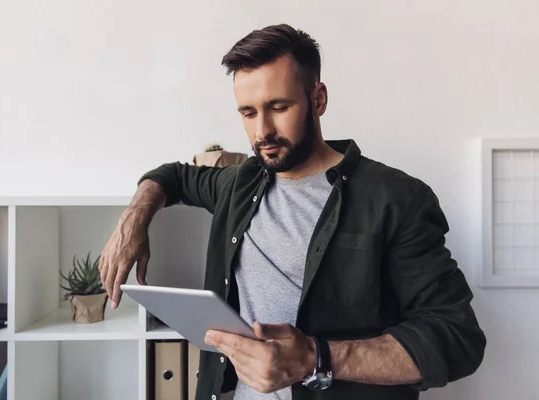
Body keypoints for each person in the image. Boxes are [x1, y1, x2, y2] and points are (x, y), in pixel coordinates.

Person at [99, 23, 486, 400]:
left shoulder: (397, 199)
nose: (262, 131)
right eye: (248, 113)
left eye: (278, 107)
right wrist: (133, 220)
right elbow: (171, 176)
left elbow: (456, 337)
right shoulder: (238, 183)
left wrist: (315, 358)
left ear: (318, 99)